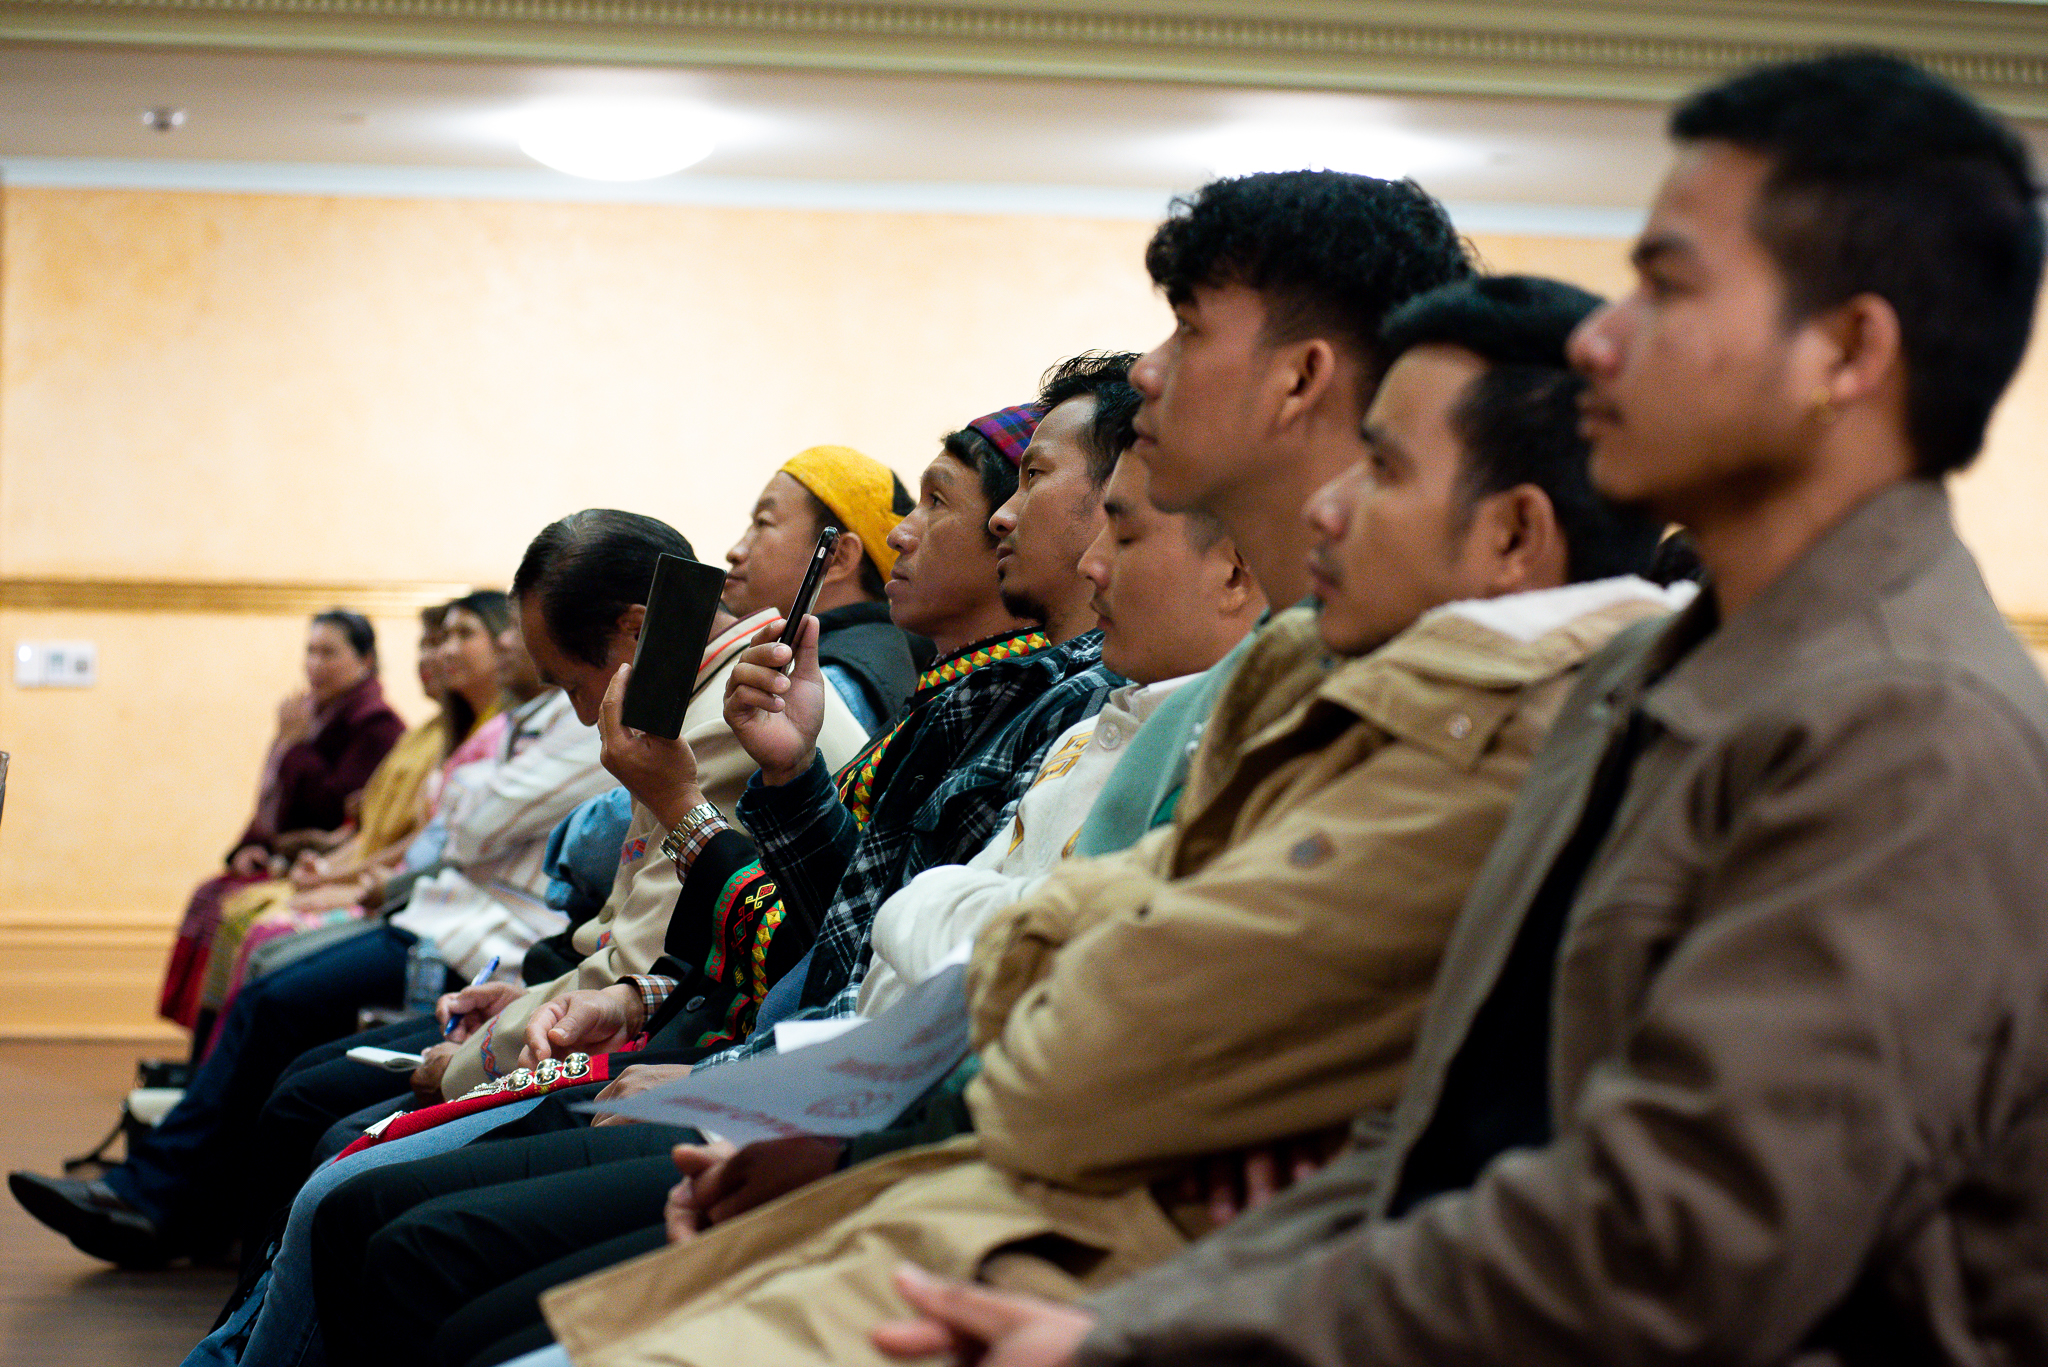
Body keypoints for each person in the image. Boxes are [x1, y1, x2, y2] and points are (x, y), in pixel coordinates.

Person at [874, 53, 2048, 1367]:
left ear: (1847, 351)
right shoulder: (1654, 669)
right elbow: (1428, 1145)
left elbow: (1661, 1253)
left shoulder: (1910, 730)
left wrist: (1142, 1343)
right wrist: (1127, 1322)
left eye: (1666, 288)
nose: (1598, 339)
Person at [511, 274, 1676, 1367]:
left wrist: (702, 836)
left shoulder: (1467, 721)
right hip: (838, 1101)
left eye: (1111, 523)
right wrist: (658, 995)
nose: (1021, 530)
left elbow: (1061, 1028)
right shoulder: (1075, 695)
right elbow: (938, 936)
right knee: (449, 1197)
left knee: (447, 1246)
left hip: (974, 1168)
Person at [293, 358, 1135, 1367]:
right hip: (767, 1058)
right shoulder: (969, 693)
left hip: (824, 1094)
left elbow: (875, 956)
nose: (911, 531)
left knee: (380, 1213)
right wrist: (650, 984)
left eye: (939, 501)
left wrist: (688, 835)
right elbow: (842, 938)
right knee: (357, 1179)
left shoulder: (998, 696)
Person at [1068, 170, 1474, 859]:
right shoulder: (1225, 687)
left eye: (1188, 330)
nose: (1145, 372)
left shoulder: (1418, 685)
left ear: (1300, 379)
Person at [158, 609, 408, 1032]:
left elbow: (330, 806)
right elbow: (271, 800)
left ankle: (220, 1045)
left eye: (329, 653)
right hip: (284, 858)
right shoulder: (315, 716)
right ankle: (203, 1045)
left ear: (366, 660)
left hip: (329, 861)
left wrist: (295, 745)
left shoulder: (377, 725)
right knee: (209, 893)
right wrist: (249, 847)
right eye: (310, 652)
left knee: (237, 914)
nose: (314, 664)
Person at [726, 445, 932, 732]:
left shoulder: (833, 686)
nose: (735, 552)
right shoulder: (871, 657)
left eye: (763, 523)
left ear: (838, 557)